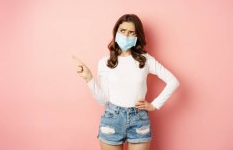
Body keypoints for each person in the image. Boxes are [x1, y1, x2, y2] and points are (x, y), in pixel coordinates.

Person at [72, 14, 180, 150]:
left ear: (137, 37)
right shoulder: (105, 62)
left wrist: (154, 105)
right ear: (116, 32)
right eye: (122, 31)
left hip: (139, 120)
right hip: (112, 118)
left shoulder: (145, 60)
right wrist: (89, 78)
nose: (126, 36)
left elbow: (173, 81)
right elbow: (103, 101)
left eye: (131, 32)